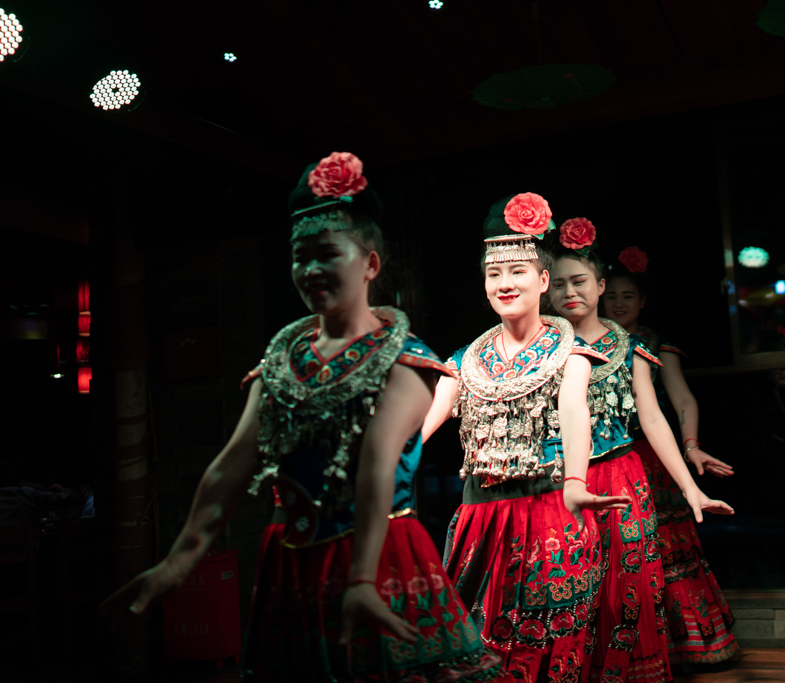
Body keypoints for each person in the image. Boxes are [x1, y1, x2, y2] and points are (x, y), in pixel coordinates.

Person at [102, 152, 504, 682]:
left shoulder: (406, 363)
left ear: (370, 264)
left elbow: (376, 465)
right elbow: (231, 466)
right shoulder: (279, 365)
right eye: (300, 257)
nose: (311, 270)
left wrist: (361, 580)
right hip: (291, 557)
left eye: (327, 254)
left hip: (379, 554)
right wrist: (178, 561)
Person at [422, 193, 629, 683]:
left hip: (550, 512)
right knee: (477, 647)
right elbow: (424, 423)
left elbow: (574, 411)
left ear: (542, 280)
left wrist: (575, 481)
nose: (505, 284)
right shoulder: (464, 361)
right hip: (480, 520)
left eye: (517, 271)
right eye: (494, 274)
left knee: (547, 648)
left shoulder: (572, 355)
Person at [603, 250, 739, 666]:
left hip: (652, 458)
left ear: (643, 301)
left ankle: (687, 644)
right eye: (612, 296)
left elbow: (682, 399)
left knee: (667, 546)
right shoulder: (584, 345)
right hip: (604, 460)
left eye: (628, 296)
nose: (619, 303)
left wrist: (691, 445)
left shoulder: (656, 346)